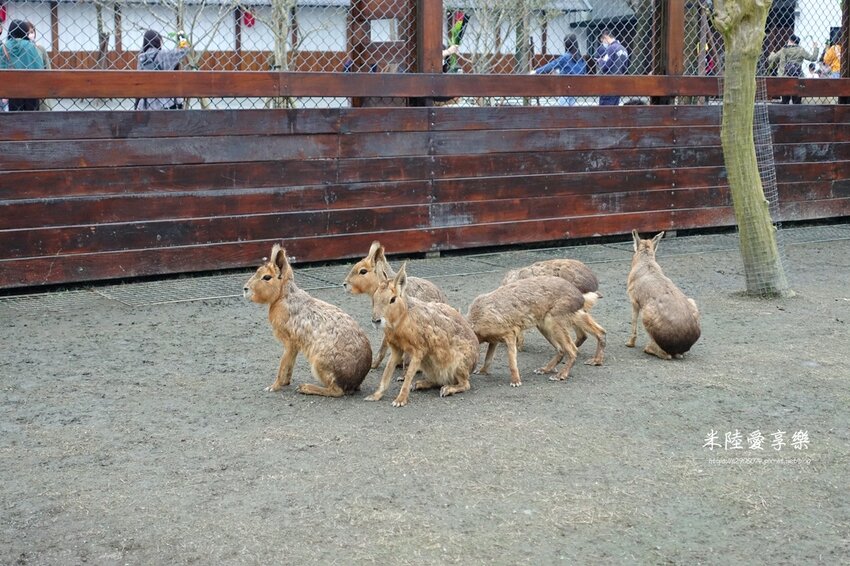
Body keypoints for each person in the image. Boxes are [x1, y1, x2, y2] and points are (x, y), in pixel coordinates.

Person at [135, 29, 190, 110]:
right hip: (167, 101)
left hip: (147, 104)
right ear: (158, 41)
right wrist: (181, 36)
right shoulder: (163, 54)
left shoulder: (141, 58)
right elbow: (185, 50)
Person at [530, 34, 587, 106]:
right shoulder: (581, 59)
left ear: (566, 44)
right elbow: (584, 72)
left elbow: (552, 65)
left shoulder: (566, 57)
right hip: (575, 88)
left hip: (564, 88)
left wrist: (536, 71)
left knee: (563, 110)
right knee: (572, 109)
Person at [0, 19, 45, 111]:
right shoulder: (30, 46)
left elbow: (2, 67)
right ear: (25, 32)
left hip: (11, 90)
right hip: (31, 89)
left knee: (14, 118)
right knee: (32, 118)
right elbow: (39, 66)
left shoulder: (3, 47)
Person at [767, 34, 819, 104]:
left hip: (784, 79)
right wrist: (815, 47)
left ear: (791, 41)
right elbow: (813, 58)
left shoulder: (784, 50)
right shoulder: (801, 50)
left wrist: (772, 53)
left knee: (784, 102)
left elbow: (771, 59)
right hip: (797, 79)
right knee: (797, 102)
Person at [594, 29, 629, 106]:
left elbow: (605, 66)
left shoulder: (611, 48)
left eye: (603, 39)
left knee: (605, 109)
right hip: (619, 83)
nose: (603, 42)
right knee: (614, 108)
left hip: (608, 83)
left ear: (606, 37)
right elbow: (625, 67)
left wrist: (600, 60)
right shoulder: (624, 49)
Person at [26, 22, 53, 110]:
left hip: (40, 87)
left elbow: (48, 68)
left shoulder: (40, 48)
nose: (30, 35)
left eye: (31, 32)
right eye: (26, 33)